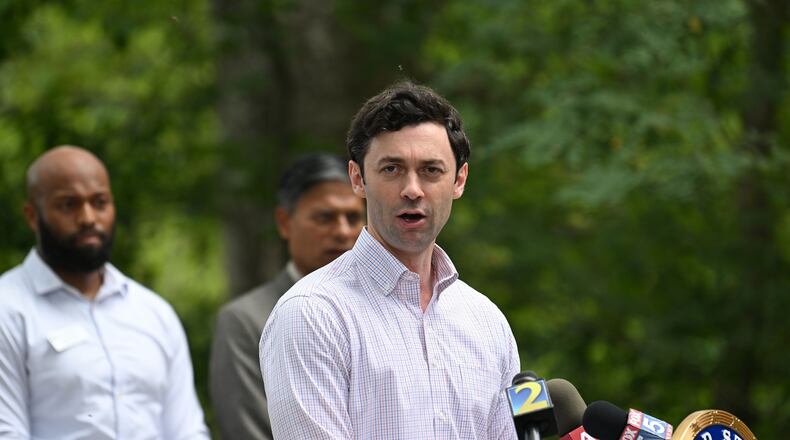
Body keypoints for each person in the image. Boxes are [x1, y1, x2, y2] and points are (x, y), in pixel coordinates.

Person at [260, 81, 521, 439]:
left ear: (459, 180)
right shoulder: (312, 314)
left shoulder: (487, 323)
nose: (412, 189)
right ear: (358, 178)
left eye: (431, 170)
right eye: (392, 169)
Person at [0, 146, 209, 439]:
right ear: (33, 216)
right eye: (68, 205)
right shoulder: (8, 310)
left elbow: (187, 429)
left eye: (99, 202)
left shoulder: (153, 313)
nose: (88, 218)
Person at [210, 153, 365, 440]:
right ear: (284, 222)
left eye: (353, 217)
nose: (343, 231)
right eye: (325, 217)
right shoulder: (246, 321)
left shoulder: (382, 310)